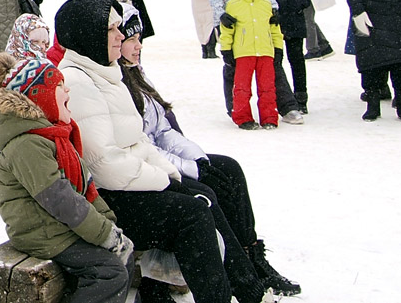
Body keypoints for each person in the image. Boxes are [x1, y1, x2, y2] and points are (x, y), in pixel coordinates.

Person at [52, 0, 254, 303]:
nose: (121, 36)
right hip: (106, 201)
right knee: (193, 214)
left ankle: (247, 286)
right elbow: (103, 163)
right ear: (87, 33)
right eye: (112, 30)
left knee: (203, 195)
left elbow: (140, 141)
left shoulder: (105, 72)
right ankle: (230, 291)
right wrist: (163, 182)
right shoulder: (78, 82)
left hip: (129, 185)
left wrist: (171, 174)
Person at [117, 23, 300, 296]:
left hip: (162, 159)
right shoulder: (117, 83)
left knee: (228, 168)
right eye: (130, 39)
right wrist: (192, 170)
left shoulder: (137, 74)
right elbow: (143, 145)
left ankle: (252, 255)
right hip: (149, 167)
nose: (138, 45)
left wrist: (199, 160)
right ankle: (237, 276)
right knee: (205, 192)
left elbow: (165, 131)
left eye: (138, 38)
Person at [0, 51, 135, 303]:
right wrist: (103, 234)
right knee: (109, 273)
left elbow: (84, 186)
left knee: (121, 259)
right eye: (60, 86)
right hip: (41, 232)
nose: (68, 92)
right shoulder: (27, 144)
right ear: (41, 98)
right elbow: (60, 200)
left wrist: (108, 224)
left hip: (55, 227)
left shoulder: (53, 136)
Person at [220, 0, 283, 130]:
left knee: (267, 87)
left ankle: (269, 117)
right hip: (243, 52)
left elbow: (275, 29)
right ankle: (243, 118)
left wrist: (278, 49)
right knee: (242, 88)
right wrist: (226, 50)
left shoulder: (266, 5)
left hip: (265, 52)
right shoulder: (233, 6)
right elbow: (227, 31)